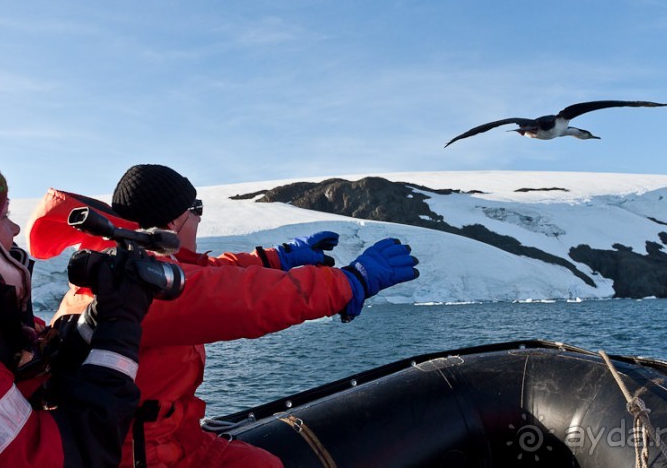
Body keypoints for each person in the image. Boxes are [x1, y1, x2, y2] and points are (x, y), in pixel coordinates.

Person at [27, 164, 421, 468]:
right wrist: (350, 282)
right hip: (139, 453)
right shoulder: (141, 286)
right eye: (195, 209)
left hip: (163, 436)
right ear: (170, 223)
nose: (199, 217)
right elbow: (243, 299)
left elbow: (208, 274)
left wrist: (274, 258)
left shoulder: (123, 266)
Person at [0, 130, 174, 467]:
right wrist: (119, 331)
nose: (15, 230)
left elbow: (18, 389)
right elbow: (76, 457)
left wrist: (92, 323)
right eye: (0, 217)